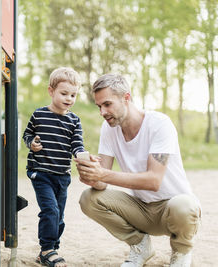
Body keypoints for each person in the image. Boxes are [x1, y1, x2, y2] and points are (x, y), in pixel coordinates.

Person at [75, 73, 201, 267]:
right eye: (99, 106)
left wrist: (104, 174)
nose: (102, 112)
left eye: (107, 104)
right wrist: (92, 173)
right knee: (88, 198)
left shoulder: (159, 124)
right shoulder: (108, 128)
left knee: (185, 204)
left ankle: (181, 252)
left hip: (173, 211)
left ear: (126, 97)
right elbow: (102, 183)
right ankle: (141, 246)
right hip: (142, 209)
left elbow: (154, 181)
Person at [23, 67, 86, 267]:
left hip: (62, 175)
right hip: (40, 172)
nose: (69, 98)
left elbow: (77, 144)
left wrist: (81, 155)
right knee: (50, 210)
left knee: (59, 214)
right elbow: (27, 135)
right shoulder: (39, 115)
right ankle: (47, 249)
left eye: (73, 95)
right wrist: (32, 142)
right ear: (51, 91)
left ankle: (51, 249)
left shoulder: (74, 121)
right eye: (64, 93)